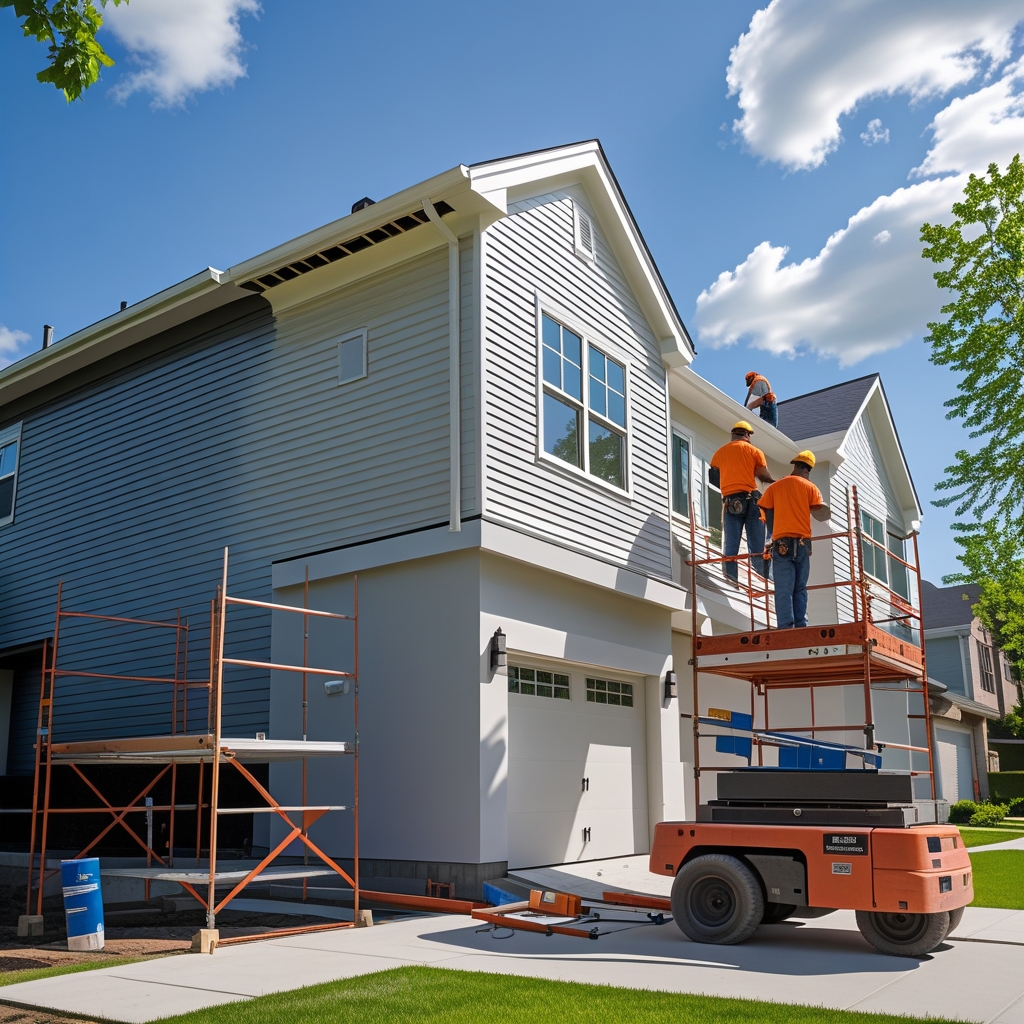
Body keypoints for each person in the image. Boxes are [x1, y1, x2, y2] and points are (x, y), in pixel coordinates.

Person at [758, 450, 831, 629]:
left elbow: (766, 510)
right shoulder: (810, 487)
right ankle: (801, 625)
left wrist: (772, 536)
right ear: (807, 469)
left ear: (795, 465)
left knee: (784, 589)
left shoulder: (775, 487)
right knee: (800, 587)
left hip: (781, 543)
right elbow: (820, 511)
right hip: (802, 543)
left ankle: (785, 626)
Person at [710, 421, 774, 582]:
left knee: (731, 546)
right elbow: (763, 475)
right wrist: (775, 482)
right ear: (747, 435)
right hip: (752, 501)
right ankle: (766, 580)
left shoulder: (719, 453)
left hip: (731, 503)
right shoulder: (754, 451)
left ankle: (731, 580)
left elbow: (714, 479)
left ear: (733, 435)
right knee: (757, 547)